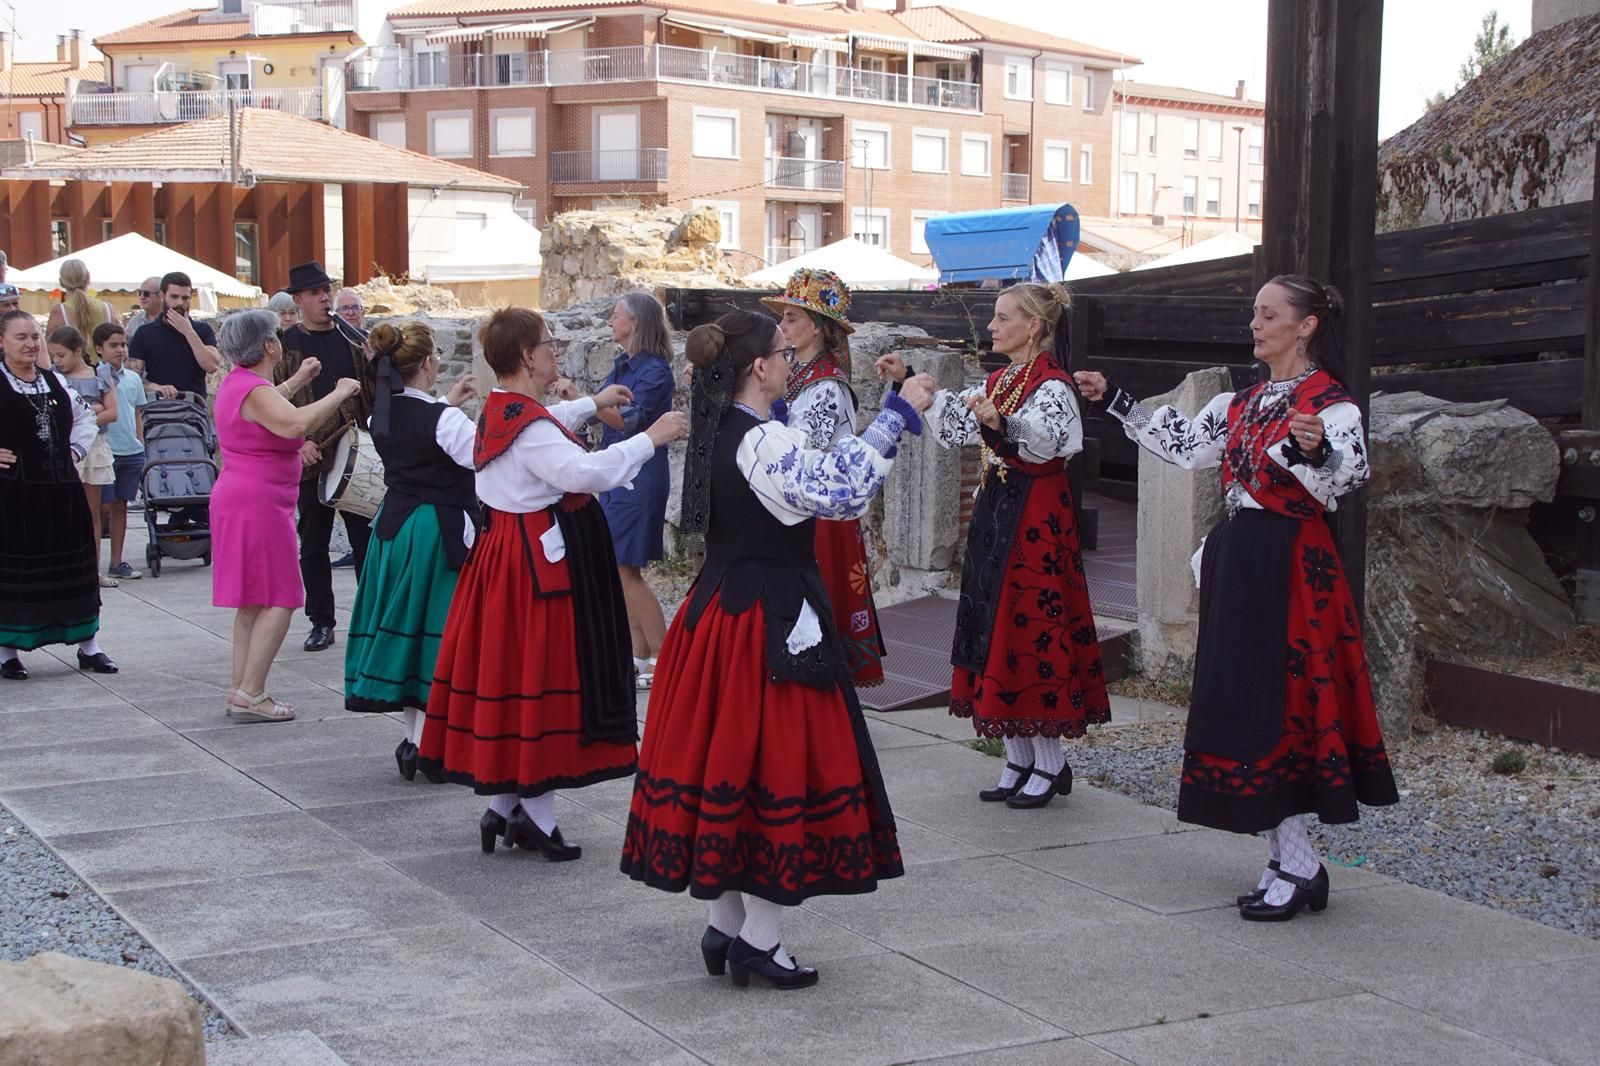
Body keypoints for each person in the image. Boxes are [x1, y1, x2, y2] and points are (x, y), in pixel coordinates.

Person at [621, 312, 935, 990]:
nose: (790, 357)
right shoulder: (760, 440)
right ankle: (758, 941)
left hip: (722, 612)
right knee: (775, 769)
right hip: (767, 619)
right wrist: (897, 414)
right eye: (780, 352)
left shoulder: (729, 427)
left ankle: (726, 923)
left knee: (731, 766)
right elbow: (839, 491)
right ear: (758, 368)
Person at [1075, 274, 1400, 921]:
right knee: (1247, 704)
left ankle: (1299, 865)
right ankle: (1289, 862)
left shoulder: (1331, 405)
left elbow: (1349, 476)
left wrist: (1317, 449)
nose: (1255, 324)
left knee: (1280, 706)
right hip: (1241, 557)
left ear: (1306, 326)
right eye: (1255, 313)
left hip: (1290, 565)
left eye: (1269, 314)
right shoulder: (1241, 403)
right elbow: (1186, 449)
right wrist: (1115, 399)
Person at [418, 307, 687, 859]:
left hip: (503, 558)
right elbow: (583, 472)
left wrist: (592, 402)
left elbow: (543, 420)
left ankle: (504, 807)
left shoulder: (499, 408)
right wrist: (651, 439)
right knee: (539, 684)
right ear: (526, 357)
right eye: (548, 343)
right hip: (534, 568)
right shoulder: (529, 425)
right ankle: (534, 816)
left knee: (515, 681)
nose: (555, 350)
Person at [877, 284, 1110, 809]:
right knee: (991, 624)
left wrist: (1001, 422)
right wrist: (910, 379)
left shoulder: (1052, 384)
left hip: (1036, 518)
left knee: (1030, 627)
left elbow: (1051, 439)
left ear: (1033, 326)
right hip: (1000, 511)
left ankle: (1050, 760)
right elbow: (959, 423)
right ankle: (1017, 754)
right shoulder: (1003, 379)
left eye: (1003, 318)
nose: (991, 327)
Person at [343, 320, 478, 779]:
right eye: (435, 354)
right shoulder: (444, 421)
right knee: (436, 635)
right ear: (426, 363)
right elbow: (483, 457)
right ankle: (433, 747)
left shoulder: (380, 414)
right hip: (436, 532)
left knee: (415, 634)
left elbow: (420, 426)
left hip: (396, 527)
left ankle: (415, 740)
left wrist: (448, 403)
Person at [212, 309, 358, 722]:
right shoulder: (253, 390)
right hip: (258, 502)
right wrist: (339, 392)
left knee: (252, 601)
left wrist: (298, 380)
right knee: (282, 597)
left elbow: (269, 403)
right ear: (269, 346)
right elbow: (294, 424)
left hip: (242, 498)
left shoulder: (241, 383)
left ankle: (242, 689)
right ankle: (253, 692)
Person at [760, 268, 886, 688]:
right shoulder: (792, 374)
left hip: (821, 514)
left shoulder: (829, 387)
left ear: (816, 327)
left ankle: (826, 689)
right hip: (796, 505)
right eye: (783, 317)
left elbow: (804, 451)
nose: (782, 326)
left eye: (791, 318)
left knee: (820, 599)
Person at [0, 310, 117, 679]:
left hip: (62, 493)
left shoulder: (54, 381)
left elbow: (85, 418)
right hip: (14, 495)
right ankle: (7, 653)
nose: (30, 343)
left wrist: (75, 452)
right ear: (2, 341)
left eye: (34, 336)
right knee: (18, 573)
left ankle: (89, 646)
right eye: (21, 337)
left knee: (75, 568)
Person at [273, 261, 377, 652]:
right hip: (310, 460)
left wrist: (376, 361)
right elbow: (273, 400)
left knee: (365, 541)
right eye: (315, 293)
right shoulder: (284, 344)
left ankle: (371, 620)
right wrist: (298, 442)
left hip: (355, 454)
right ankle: (321, 621)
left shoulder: (352, 339)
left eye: (326, 290)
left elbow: (374, 394)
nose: (324, 298)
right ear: (298, 300)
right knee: (314, 544)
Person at [594, 292, 676, 689]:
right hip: (617, 472)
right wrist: (587, 404)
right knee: (618, 566)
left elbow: (627, 420)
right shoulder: (620, 366)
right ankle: (639, 655)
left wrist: (585, 403)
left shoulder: (655, 371)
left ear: (636, 322)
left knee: (627, 569)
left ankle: (664, 658)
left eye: (616, 315)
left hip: (639, 477)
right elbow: (603, 411)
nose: (610, 321)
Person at [49, 326, 121, 590]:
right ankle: (64, 568)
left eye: (61, 355)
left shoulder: (100, 374)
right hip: (64, 447)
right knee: (63, 510)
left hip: (94, 447)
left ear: (78, 351)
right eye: (54, 356)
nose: (57, 361)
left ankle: (93, 569)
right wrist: (94, 410)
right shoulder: (53, 378)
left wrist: (87, 417)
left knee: (92, 511)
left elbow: (112, 412)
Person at [94, 323, 147, 581]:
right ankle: (93, 565)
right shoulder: (94, 377)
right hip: (105, 449)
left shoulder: (133, 378)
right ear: (99, 349)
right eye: (113, 345)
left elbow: (137, 413)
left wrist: (140, 443)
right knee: (100, 508)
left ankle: (116, 561)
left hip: (130, 451)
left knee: (121, 506)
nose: (120, 350)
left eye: (123, 344)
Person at [128, 272, 222, 399]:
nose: (180, 302)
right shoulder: (144, 333)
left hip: (194, 405)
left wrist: (188, 331)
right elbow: (132, 378)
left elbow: (211, 366)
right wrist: (156, 387)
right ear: (162, 296)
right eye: (174, 297)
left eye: (185, 298)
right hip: (158, 404)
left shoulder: (202, 330)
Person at [46, 260, 121, 367]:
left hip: (74, 371)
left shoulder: (59, 311)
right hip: (106, 370)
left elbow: (49, 348)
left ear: (61, 282)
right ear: (88, 278)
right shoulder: (107, 308)